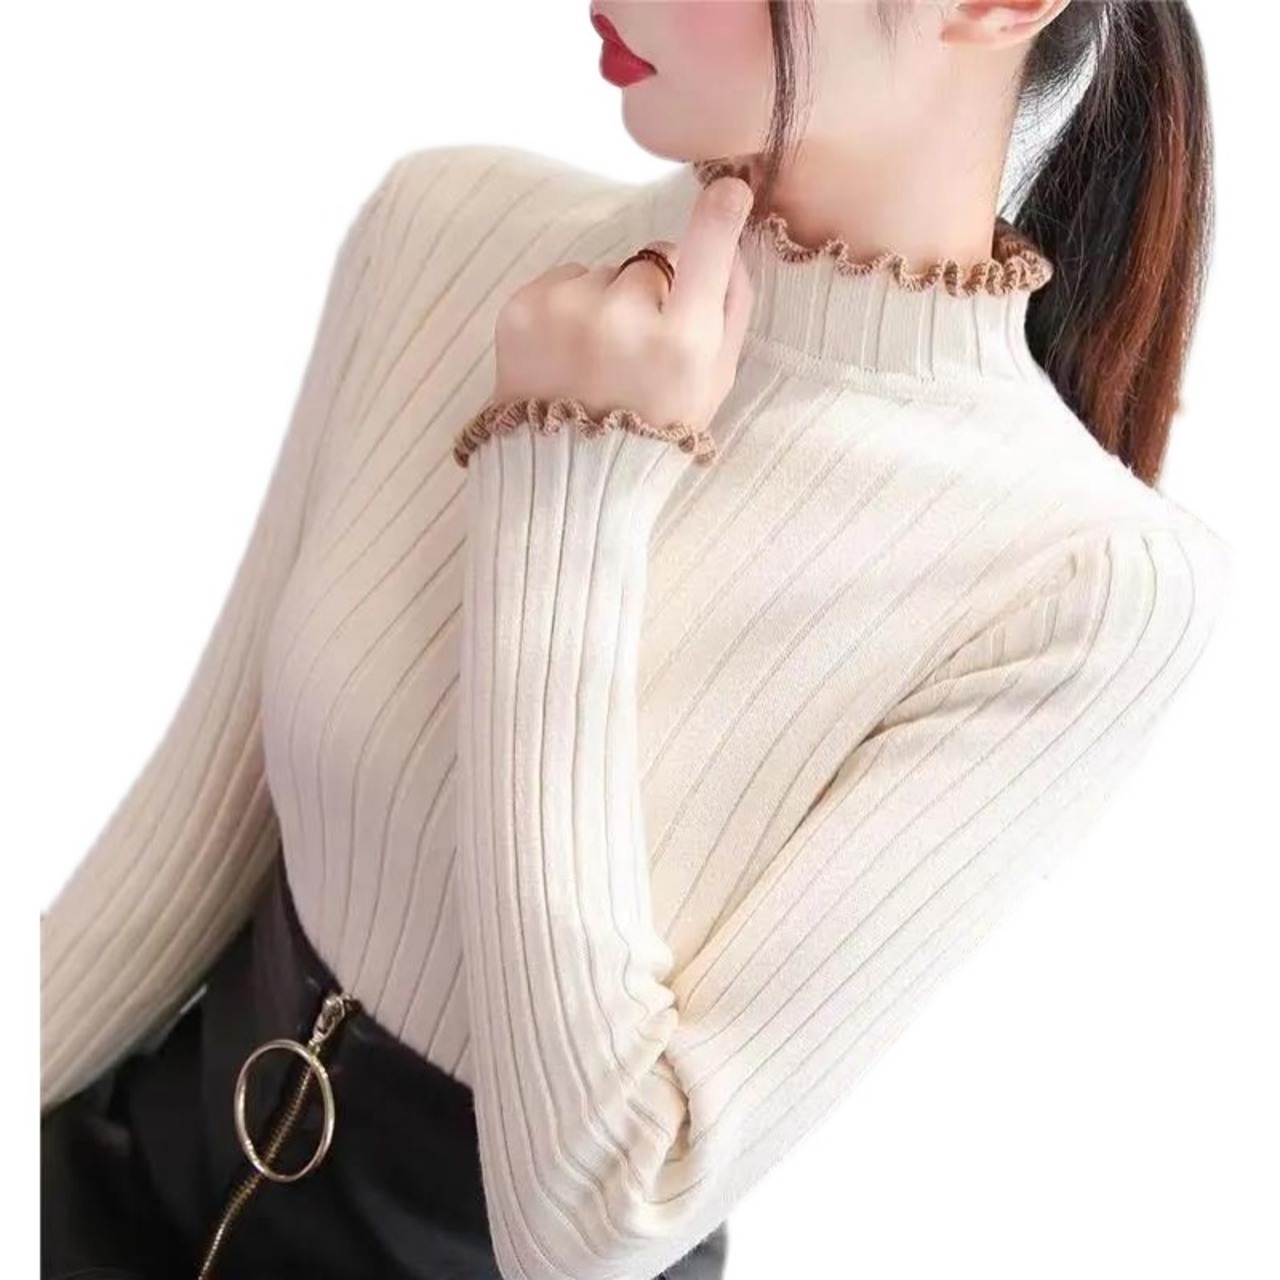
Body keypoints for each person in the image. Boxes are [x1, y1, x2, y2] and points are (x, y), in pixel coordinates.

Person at [40, 2, 1231, 1279]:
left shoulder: (1083, 580)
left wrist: (571, 480)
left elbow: (596, 1216)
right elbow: (177, 857)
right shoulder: (445, 227)